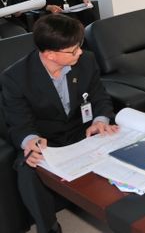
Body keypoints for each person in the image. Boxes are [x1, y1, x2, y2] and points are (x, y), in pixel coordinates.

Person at [1, 14, 117, 233]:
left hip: (82, 131)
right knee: (27, 170)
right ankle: (49, 228)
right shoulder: (15, 77)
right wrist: (31, 141)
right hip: (46, 140)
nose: (79, 52)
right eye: (73, 50)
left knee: (116, 139)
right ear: (50, 54)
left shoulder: (86, 61)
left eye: (79, 46)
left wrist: (100, 120)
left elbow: (100, 97)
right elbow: (18, 121)